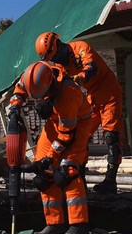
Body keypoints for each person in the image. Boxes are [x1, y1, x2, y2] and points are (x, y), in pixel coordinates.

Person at [8, 60, 93, 234]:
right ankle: (55, 224)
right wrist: (15, 104)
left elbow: (66, 136)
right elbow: (21, 87)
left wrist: (50, 158)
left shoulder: (68, 94)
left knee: (67, 170)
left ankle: (79, 227)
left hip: (77, 125)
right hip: (55, 122)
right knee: (42, 176)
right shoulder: (34, 75)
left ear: (51, 85)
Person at [34, 31, 126, 194]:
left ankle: (110, 181)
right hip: (92, 96)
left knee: (111, 136)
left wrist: (78, 79)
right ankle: (79, 177)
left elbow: (91, 67)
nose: (56, 61)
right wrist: (45, 102)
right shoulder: (59, 65)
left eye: (56, 56)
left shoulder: (81, 48)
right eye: (52, 59)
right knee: (80, 136)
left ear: (59, 45)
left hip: (109, 92)